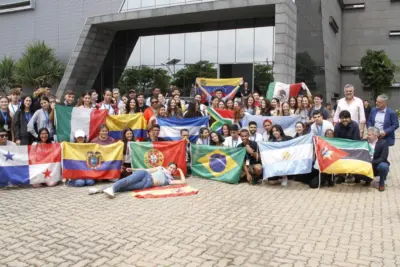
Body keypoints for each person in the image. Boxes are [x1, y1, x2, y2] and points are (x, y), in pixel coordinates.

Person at [90, 162, 186, 198]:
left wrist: (180, 170)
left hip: (146, 184)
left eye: (174, 169)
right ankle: (109, 189)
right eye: (171, 167)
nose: (172, 169)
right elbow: (146, 170)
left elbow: (183, 182)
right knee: (127, 181)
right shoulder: (161, 168)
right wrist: (133, 170)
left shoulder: (170, 180)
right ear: (167, 167)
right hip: (144, 175)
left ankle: (99, 190)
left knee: (125, 188)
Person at [367, 127, 389, 192]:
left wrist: (371, 162)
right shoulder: (364, 142)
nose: (367, 136)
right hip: (366, 165)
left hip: (376, 164)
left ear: (376, 136)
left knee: (384, 166)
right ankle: (366, 180)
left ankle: (381, 184)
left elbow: (383, 158)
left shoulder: (383, 143)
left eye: (369, 135)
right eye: (367, 134)